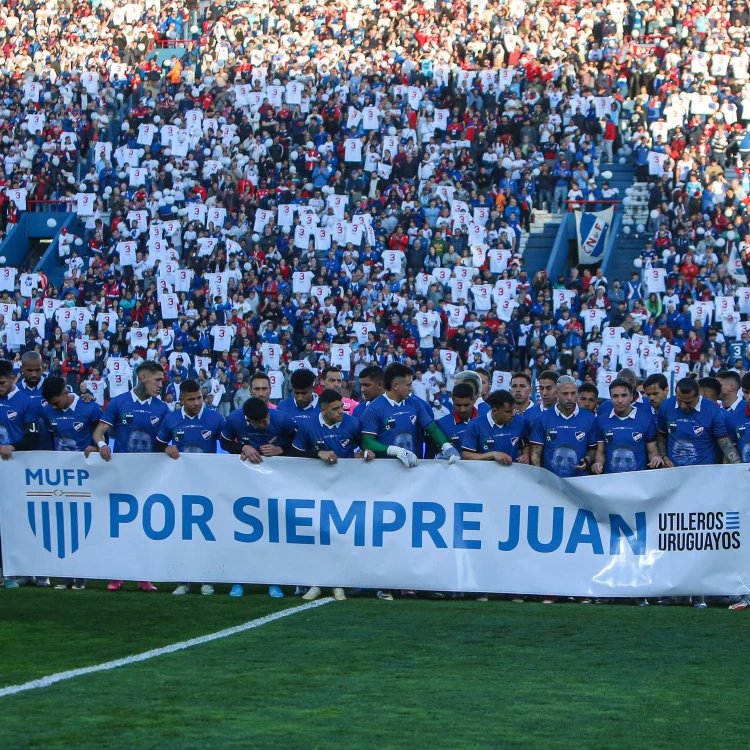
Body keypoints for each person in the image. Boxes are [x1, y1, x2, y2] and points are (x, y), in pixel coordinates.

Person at [361, 363, 460, 600]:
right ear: (396, 385)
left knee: (417, 531)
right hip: (385, 477)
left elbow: (431, 427)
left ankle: (420, 582)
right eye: (408, 383)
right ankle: (386, 584)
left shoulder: (416, 404)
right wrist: (394, 450)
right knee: (388, 531)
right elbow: (367, 442)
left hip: (415, 476)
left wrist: (446, 446)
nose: (411, 387)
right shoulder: (375, 409)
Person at [656, 377, 739, 608]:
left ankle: (699, 591)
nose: (684, 406)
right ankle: (673, 590)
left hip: (703, 484)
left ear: (698, 397)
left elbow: (724, 444)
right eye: (681, 401)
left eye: (689, 403)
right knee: (672, 537)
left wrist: (739, 469)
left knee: (698, 538)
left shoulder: (713, 413)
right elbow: (662, 434)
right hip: (674, 484)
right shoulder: (666, 407)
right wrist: (663, 456)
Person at [94, 360, 169, 593]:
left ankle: (143, 577)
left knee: (147, 527)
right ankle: (118, 575)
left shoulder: (162, 408)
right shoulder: (119, 403)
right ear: (143, 378)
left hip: (150, 477)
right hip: (122, 476)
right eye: (157, 380)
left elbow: (166, 440)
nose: (161, 385)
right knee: (121, 528)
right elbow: (98, 432)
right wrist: (101, 444)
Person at [292, 388, 373, 602]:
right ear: (323, 409)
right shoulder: (308, 426)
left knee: (342, 535)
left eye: (342, 408)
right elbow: (295, 453)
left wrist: (365, 452)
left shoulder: (352, 423)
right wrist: (317, 453)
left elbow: (364, 445)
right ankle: (316, 583)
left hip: (346, 488)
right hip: (317, 488)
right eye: (335, 409)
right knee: (319, 535)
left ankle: (340, 584)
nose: (341, 412)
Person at [220, 397, 297, 599]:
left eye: (266, 419)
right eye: (260, 422)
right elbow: (225, 442)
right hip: (245, 482)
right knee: (244, 531)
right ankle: (239, 580)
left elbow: (297, 440)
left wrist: (282, 449)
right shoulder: (235, 420)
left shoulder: (281, 419)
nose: (266, 424)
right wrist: (242, 448)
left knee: (273, 531)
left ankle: (274, 581)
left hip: (276, 483)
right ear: (248, 420)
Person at [155, 379, 226, 597]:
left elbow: (227, 445)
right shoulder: (172, 419)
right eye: (191, 399)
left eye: (200, 398)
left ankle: (206, 579)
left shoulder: (215, 418)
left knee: (206, 533)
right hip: (180, 485)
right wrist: (167, 448)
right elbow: (158, 445)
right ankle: (183, 580)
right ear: (182, 400)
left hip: (207, 485)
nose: (197, 402)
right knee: (182, 533)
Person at [530, 375, 597, 605]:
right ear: (557, 394)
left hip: (580, 489)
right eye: (565, 393)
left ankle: (580, 589)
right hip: (552, 490)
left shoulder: (589, 419)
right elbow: (536, 454)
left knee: (579, 543)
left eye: (573, 393)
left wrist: (587, 461)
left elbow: (592, 450)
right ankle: (552, 590)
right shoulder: (543, 419)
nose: (570, 398)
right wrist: (539, 482)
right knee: (553, 542)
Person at [41, 376, 103, 591]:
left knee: (83, 526)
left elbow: (101, 434)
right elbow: (49, 441)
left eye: (56, 401)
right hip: (61, 479)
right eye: (50, 403)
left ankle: (81, 575)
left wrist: (96, 448)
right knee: (63, 526)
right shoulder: (48, 412)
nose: (53, 406)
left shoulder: (89, 408)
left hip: (85, 477)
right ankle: (66, 575)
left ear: (66, 392)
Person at [0, 359, 39, 588]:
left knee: (14, 520)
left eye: (2, 382)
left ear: (13, 379)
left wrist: (14, 447)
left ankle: (18, 572)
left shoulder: (25, 403)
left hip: (15, 469)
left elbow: (32, 436)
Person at [592, 379, 663, 475]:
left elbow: (652, 451)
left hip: (638, 481)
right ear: (610, 397)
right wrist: (598, 463)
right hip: (611, 479)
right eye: (615, 396)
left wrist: (656, 457)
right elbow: (600, 451)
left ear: (631, 397)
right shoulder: (601, 420)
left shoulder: (645, 419)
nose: (620, 400)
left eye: (624, 395)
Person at [461, 390, 530, 465]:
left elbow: (524, 443)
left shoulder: (521, 421)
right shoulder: (475, 425)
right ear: (495, 411)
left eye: (513, 410)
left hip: (512, 473)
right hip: (484, 474)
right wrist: (492, 454)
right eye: (508, 411)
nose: (513, 414)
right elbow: (466, 455)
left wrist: (525, 455)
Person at [437, 382, 479, 450]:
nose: (462, 410)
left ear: (474, 400)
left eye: (466, 405)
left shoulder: (486, 420)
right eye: (458, 405)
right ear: (452, 400)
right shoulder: (442, 424)